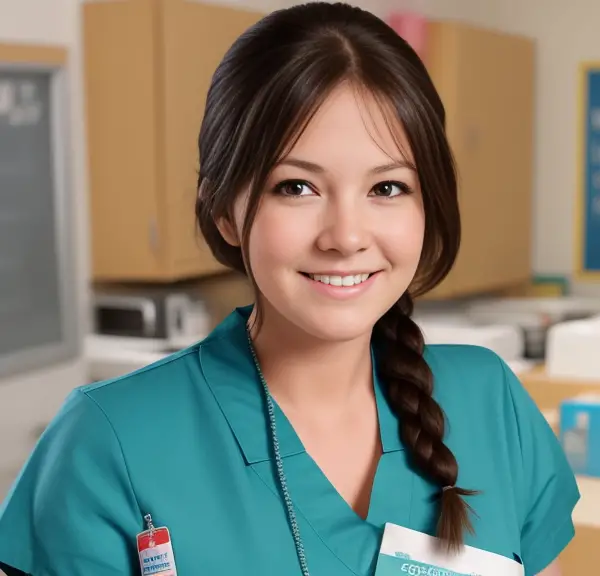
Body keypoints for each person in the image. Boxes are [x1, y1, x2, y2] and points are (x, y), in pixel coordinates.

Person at [0, 3, 579, 575]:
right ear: (225, 209)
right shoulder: (109, 442)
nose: (346, 236)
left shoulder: (491, 404)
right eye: (297, 186)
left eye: (387, 187)